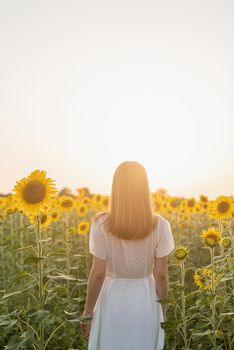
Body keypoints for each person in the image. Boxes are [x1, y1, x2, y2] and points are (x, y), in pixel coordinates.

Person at [80, 161, 175, 350]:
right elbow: (161, 274)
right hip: (146, 298)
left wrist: (88, 310)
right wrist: (163, 309)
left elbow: (98, 273)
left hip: (112, 297)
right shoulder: (161, 225)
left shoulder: (101, 223)